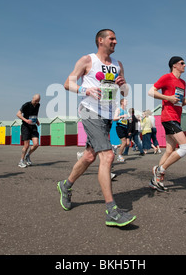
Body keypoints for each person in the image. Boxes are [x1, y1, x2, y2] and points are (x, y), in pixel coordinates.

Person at [57, 29, 136, 227]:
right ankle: (112, 211)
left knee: (89, 156)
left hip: (108, 115)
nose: (116, 41)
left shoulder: (118, 65)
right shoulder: (87, 60)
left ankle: (65, 186)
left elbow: (124, 92)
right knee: (107, 156)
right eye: (112, 38)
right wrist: (86, 89)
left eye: (116, 38)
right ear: (100, 41)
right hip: (90, 111)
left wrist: (123, 84)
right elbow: (68, 84)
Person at [148, 56, 186, 191]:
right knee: (185, 147)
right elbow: (150, 91)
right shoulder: (166, 77)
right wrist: (167, 97)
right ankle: (160, 170)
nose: (185, 65)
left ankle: (156, 180)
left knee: (170, 150)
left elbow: (181, 102)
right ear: (174, 65)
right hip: (168, 116)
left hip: (176, 117)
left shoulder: (182, 82)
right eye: (182, 63)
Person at [16, 94, 41, 168]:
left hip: (33, 126)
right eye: (35, 101)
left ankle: (28, 155)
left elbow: (35, 114)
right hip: (25, 126)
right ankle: (21, 161)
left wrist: (37, 120)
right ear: (32, 98)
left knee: (36, 144)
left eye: (38, 101)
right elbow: (18, 114)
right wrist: (26, 120)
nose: (36, 102)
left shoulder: (38, 105)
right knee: (26, 145)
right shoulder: (26, 105)